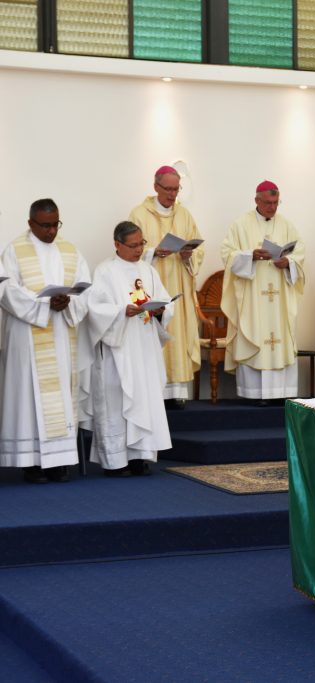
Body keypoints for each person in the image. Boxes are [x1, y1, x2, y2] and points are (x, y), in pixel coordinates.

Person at [0, 199, 91, 483]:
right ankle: (32, 463)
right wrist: (43, 305)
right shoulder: (14, 250)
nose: (52, 231)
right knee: (30, 398)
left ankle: (59, 461)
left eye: (55, 224)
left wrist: (68, 302)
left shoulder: (70, 250)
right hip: (28, 336)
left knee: (61, 398)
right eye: (45, 225)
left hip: (61, 335)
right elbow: (6, 290)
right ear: (31, 223)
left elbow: (85, 288)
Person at [79, 221, 173, 476]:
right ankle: (116, 461)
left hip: (144, 345)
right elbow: (95, 308)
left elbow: (164, 299)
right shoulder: (105, 271)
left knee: (145, 399)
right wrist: (122, 312)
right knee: (118, 401)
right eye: (133, 245)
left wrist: (161, 310)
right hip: (118, 349)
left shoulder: (148, 270)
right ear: (117, 244)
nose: (139, 250)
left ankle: (140, 457)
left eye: (141, 244)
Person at [221, 180, 306, 402]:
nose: (272, 207)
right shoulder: (241, 225)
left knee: (280, 337)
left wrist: (288, 262)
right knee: (254, 331)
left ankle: (281, 393)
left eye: (276, 203)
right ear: (257, 200)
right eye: (268, 203)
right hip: (252, 296)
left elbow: (300, 253)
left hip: (280, 298)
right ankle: (255, 393)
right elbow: (227, 254)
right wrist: (251, 256)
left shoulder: (287, 225)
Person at [128, 165, 204, 405]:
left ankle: (176, 394)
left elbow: (198, 249)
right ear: (156, 187)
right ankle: (154, 393)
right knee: (153, 335)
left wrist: (188, 255)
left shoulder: (184, 215)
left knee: (177, 335)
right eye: (168, 189)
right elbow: (128, 250)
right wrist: (152, 252)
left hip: (178, 283)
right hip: (150, 285)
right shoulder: (139, 214)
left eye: (176, 189)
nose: (173, 195)